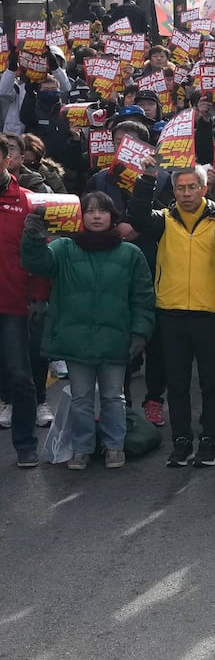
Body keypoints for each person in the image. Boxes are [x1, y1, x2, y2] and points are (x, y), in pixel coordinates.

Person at [20, 192, 154, 469]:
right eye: (90, 211)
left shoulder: (131, 253)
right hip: (76, 340)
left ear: (112, 216)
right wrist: (33, 236)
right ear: (79, 216)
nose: (95, 216)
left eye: (102, 211)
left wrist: (140, 332)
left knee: (113, 397)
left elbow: (143, 296)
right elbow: (37, 263)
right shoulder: (65, 248)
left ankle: (115, 446)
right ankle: (82, 447)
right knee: (80, 398)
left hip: (115, 338)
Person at [128, 161, 215, 468]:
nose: (186, 193)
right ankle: (182, 441)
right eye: (180, 188)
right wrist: (146, 178)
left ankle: (210, 441)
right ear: (172, 191)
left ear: (204, 187)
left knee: (212, 384)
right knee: (178, 383)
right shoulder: (164, 220)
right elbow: (137, 217)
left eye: (192, 187)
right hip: (170, 312)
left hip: (210, 313)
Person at [0, 134, 46, 466]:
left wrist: (40, 299)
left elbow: (41, 257)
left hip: (14, 305)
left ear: (7, 160)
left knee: (20, 376)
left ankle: (26, 444)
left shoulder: (29, 201)